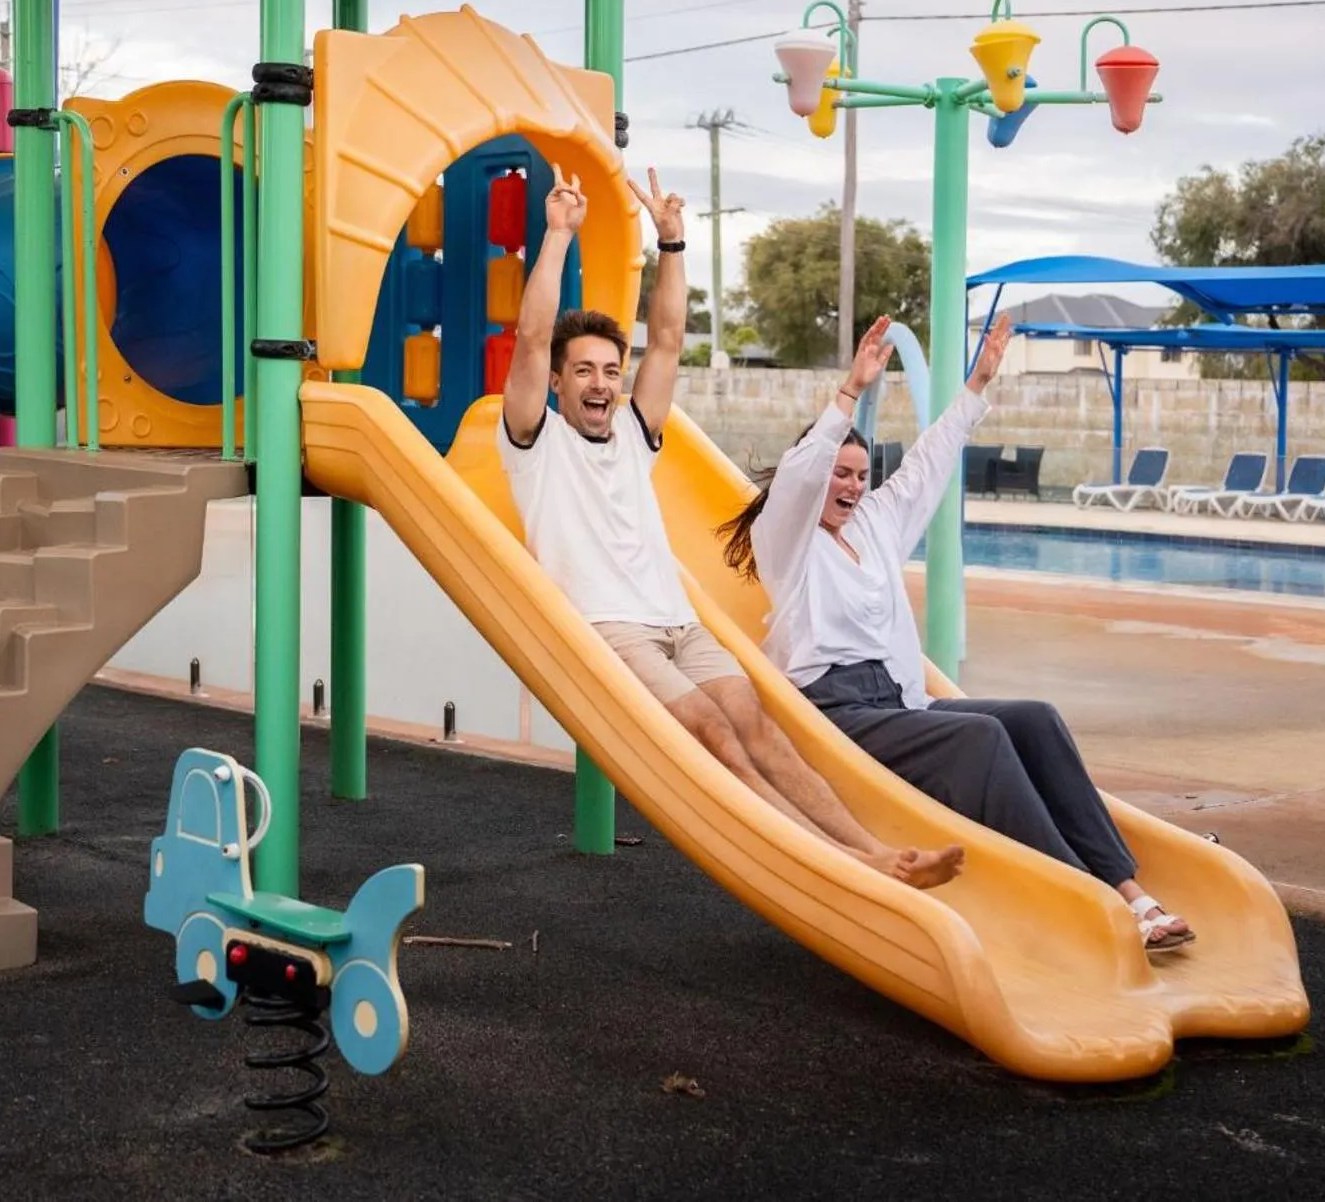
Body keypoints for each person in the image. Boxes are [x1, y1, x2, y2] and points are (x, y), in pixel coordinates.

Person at [499, 165, 962, 891]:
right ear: (558, 382)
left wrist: (673, 242)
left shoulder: (633, 432)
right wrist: (557, 235)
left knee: (760, 730)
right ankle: (838, 863)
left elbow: (671, 338)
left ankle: (875, 852)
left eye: (608, 370)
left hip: (678, 622)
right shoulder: (533, 441)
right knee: (713, 733)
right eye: (582, 371)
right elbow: (529, 337)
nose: (598, 383)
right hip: (611, 628)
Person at [717, 314, 1195, 950]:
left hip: (892, 701)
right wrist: (849, 392)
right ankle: (1093, 899)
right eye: (840, 472)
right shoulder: (789, 541)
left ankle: (1129, 888)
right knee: (983, 737)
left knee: (1035, 718)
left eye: (860, 474)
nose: (852, 485)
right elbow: (802, 474)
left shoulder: (876, 524)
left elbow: (928, 461)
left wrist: (977, 383)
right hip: (833, 709)